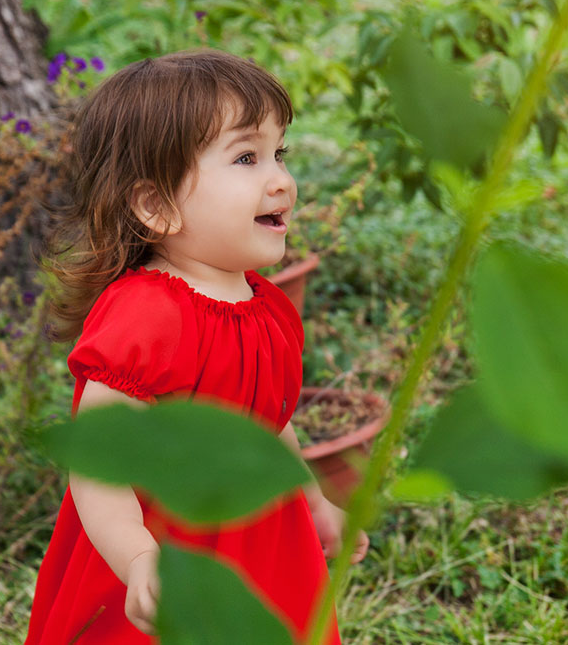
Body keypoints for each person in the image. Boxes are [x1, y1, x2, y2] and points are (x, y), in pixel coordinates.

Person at [25, 48, 369, 644]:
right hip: (173, 550)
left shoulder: (267, 307)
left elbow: (266, 423)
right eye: (246, 157)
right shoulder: (148, 314)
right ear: (156, 205)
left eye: (278, 154)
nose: (281, 180)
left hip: (264, 549)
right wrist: (137, 559)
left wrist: (313, 502)